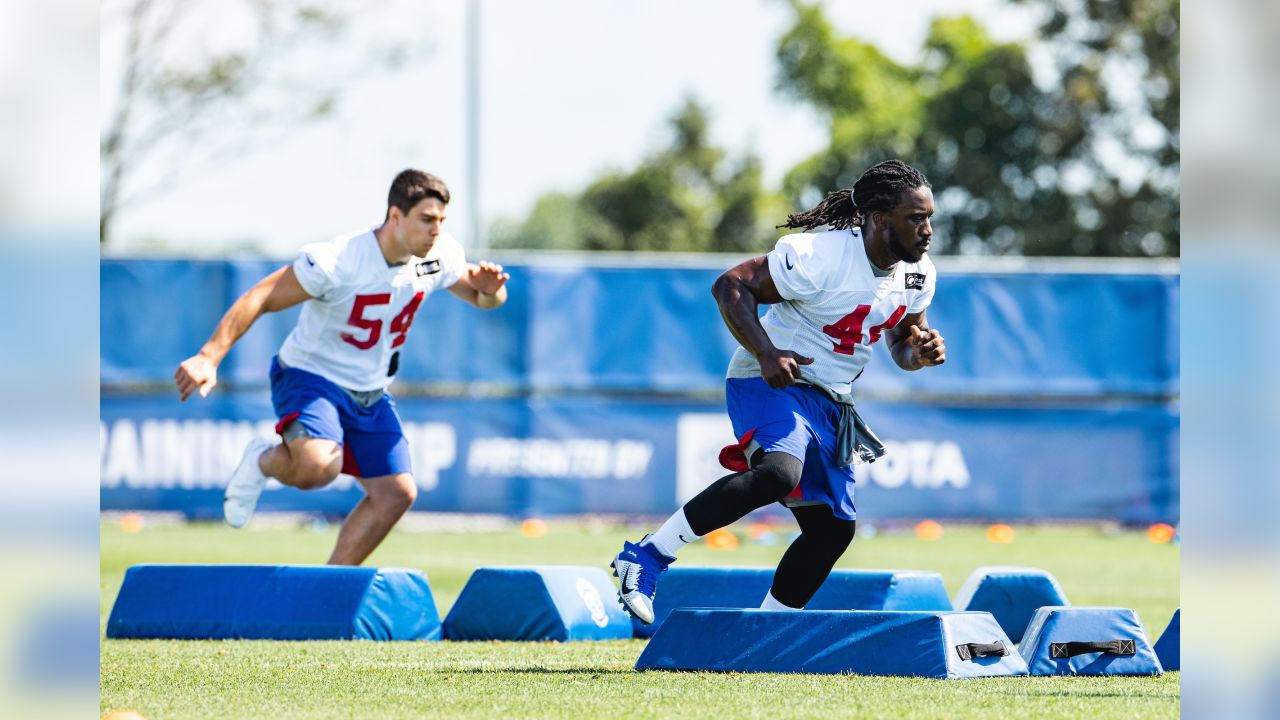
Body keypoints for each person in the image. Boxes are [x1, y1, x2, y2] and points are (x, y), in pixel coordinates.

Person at [611, 159, 947, 622]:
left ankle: (769, 626)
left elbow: (901, 344)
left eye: (929, 217)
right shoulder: (822, 256)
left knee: (832, 530)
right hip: (770, 379)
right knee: (778, 473)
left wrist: (920, 353)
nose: (927, 230)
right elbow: (730, 285)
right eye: (915, 218)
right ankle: (648, 556)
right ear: (878, 219)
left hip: (829, 398)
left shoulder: (918, 274)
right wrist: (768, 352)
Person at [174, 169, 509, 565]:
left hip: (370, 391)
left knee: (397, 493)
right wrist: (209, 355)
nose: (435, 230)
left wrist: (491, 291)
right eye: (426, 219)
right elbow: (261, 296)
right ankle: (263, 458)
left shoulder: (436, 258)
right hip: (311, 377)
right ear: (395, 216)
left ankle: (332, 586)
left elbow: (485, 297)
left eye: (440, 221)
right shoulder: (340, 261)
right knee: (318, 468)